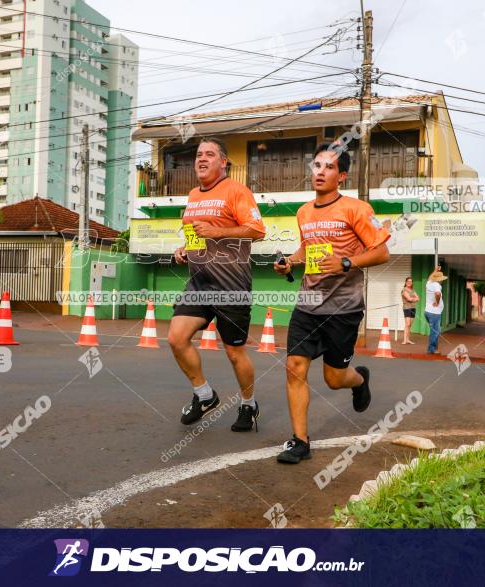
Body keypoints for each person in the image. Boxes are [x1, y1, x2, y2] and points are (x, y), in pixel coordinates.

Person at [272, 143, 390, 464]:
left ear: (342, 176)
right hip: (308, 304)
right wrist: (290, 263)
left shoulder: (357, 209)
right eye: (317, 165)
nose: (320, 172)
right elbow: (306, 251)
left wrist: (347, 263)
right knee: (295, 367)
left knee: (334, 379)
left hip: (344, 308)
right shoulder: (303, 213)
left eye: (328, 167)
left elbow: (382, 253)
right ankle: (300, 441)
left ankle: (360, 379)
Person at [169, 138, 266, 431]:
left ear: (223, 162)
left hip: (231, 285)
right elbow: (197, 236)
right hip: (200, 283)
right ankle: (205, 395)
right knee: (176, 338)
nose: (202, 159)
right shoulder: (193, 195)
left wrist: (216, 231)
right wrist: (185, 248)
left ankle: (249, 405)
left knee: (235, 353)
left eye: (209, 154)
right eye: (199, 155)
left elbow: (257, 230)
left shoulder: (237, 191)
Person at [424, 269, 448, 354]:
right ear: (440, 279)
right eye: (442, 279)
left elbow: (429, 278)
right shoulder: (437, 285)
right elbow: (437, 294)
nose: (442, 280)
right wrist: (437, 302)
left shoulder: (429, 283)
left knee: (434, 330)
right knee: (435, 331)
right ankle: (432, 349)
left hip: (427, 312)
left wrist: (434, 270)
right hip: (434, 313)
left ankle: (434, 348)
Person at [401, 277, 419, 344]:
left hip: (413, 308)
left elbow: (418, 298)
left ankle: (408, 339)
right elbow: (409, 299)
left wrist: (413, 299)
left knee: (410, 325)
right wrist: (414, 298)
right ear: (406, 282)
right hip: (407, 308)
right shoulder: (404, 290)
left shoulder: (412, 290)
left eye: (411, 281)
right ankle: (404, 340)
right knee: (407, 324)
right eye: (408, 281)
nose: (409, 282)